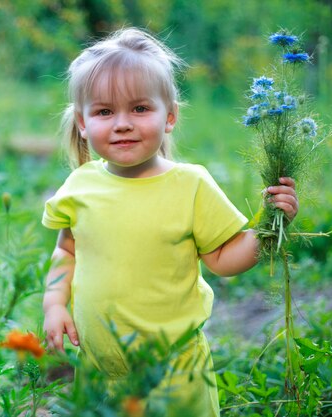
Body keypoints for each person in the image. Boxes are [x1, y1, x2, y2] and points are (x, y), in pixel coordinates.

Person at [41, 27, 299, 416]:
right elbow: (66, 250)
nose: (122, 123)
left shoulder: (190, 185)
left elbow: (223, 258)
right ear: (82, 122)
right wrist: (54, 303)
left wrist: (268, 224)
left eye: (140, 108)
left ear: (170, 116)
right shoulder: (81, 185)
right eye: (104, 111)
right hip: (100, 368)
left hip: (175, 370)